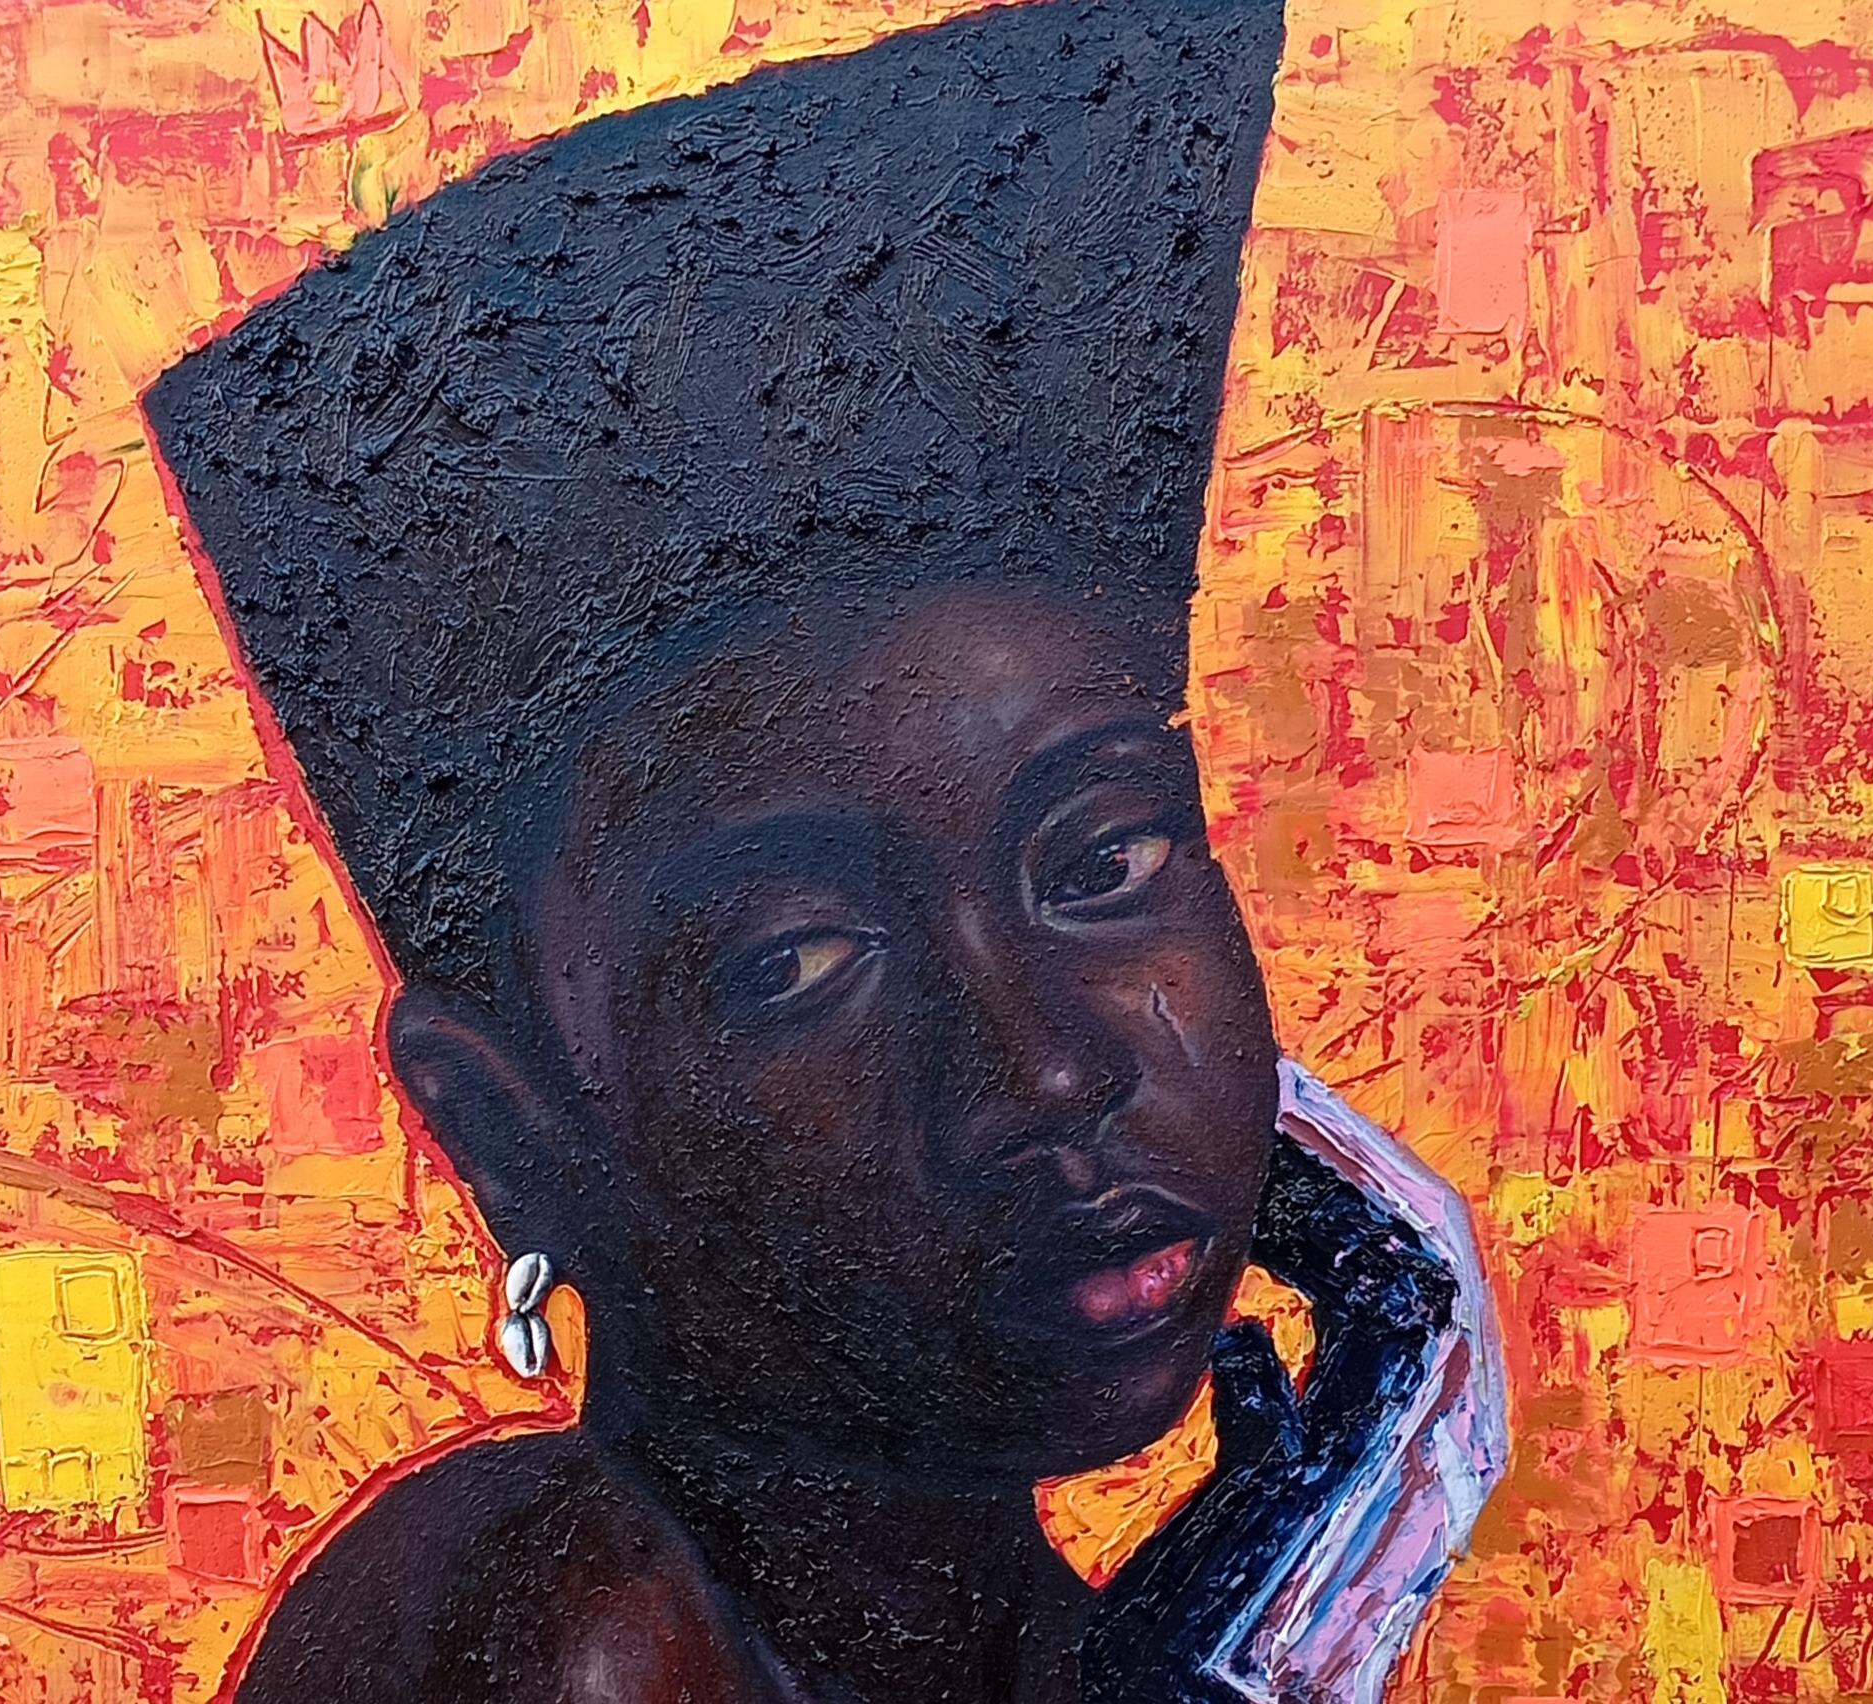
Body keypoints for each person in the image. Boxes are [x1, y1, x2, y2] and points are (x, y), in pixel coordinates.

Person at [144, 0, 1505, 1698]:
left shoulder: (1063, 1640)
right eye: (793, 964)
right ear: (503, 1128)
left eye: (1100, 868)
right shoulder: (564, 1628)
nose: (1049, 1072)